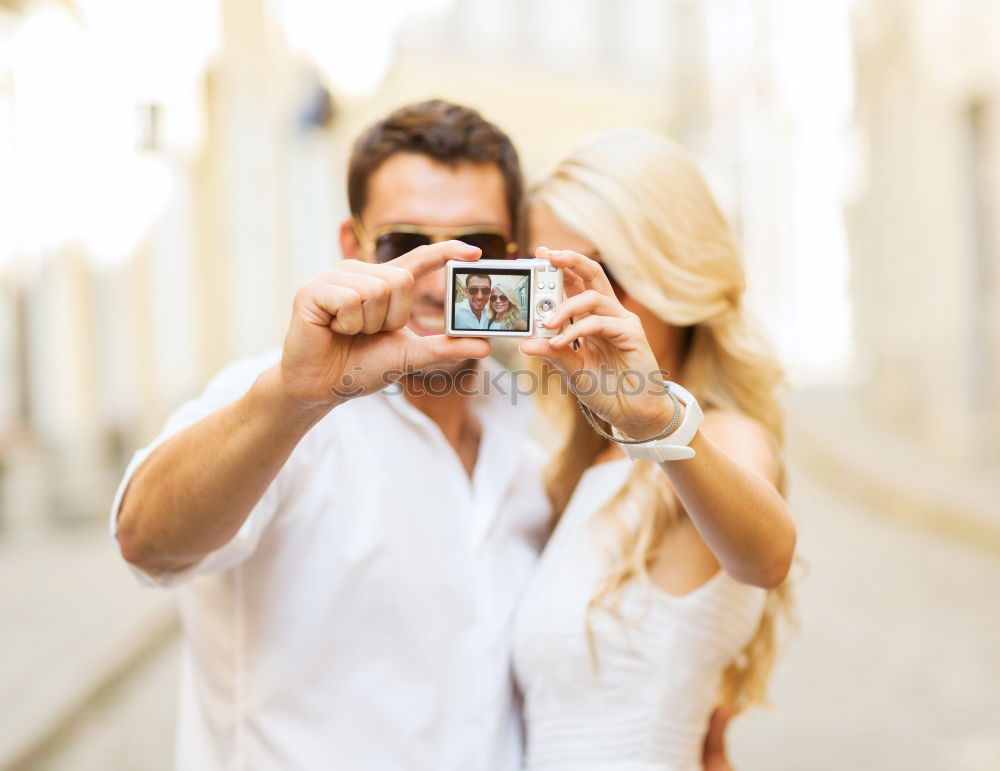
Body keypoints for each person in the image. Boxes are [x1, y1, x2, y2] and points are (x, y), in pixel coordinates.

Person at [111, 100, 733, 770]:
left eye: (477, 247)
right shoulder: (275, 402)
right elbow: (147, 539)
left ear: (515, 262)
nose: (440, 276)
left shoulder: (531, 449)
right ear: (353, 248)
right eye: (407, 246)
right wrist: (294, 397)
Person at [514, 127, 797, 770]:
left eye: (602, 275)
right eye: (550, 278)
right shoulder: (580, 464)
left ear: (670, 270)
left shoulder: (717, 440)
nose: (577, 305)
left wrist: (659, 423)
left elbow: (768, 555)